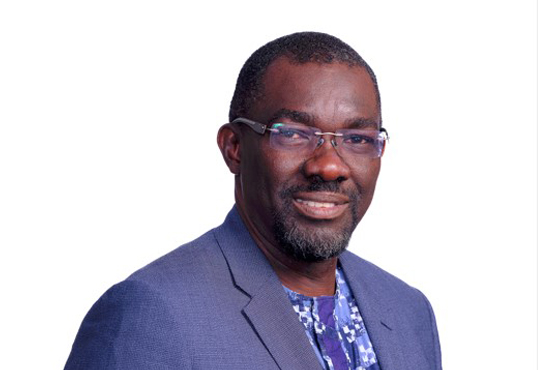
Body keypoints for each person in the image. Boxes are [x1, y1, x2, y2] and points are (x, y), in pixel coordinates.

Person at [65, 32, 442, 370]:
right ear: (234, 149)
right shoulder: (152, 315)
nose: (328, 166)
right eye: (293, 134)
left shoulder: (408, 310)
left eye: (357, 138)